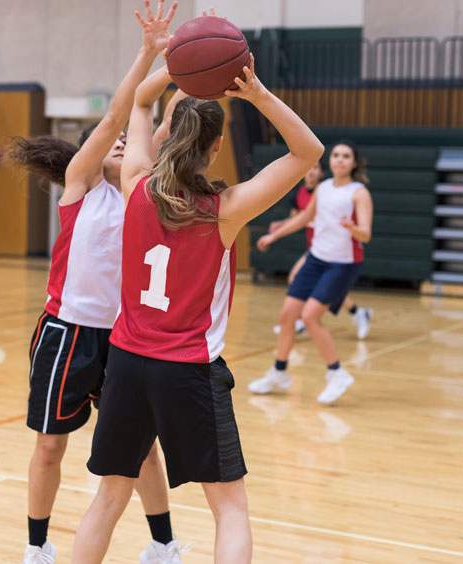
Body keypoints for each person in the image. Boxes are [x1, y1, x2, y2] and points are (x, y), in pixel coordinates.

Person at [70, 40, 324, 563]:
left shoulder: (134, 182)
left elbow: (138, 102)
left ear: (171, 140)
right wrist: (256, 93)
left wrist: (172, 65)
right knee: (230, 508)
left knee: (109, 498)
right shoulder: (224, 210)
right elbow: (308, 152)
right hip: (187, 370)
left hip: (127, 364)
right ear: (216, 147)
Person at [8, 0, 188, 564]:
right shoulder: (81, 186)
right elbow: (119, 115)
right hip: (66, 332)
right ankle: (37, 549)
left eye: (123, 142)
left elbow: (158, 123)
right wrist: (149, 55)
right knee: (48, 446)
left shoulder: (141, 188)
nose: (115, 141)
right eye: (103, 138)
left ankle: (164, 545)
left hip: (123, 338)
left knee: (142, 451)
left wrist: (185, 75)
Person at [249, 142, 373, 404]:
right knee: (287, 316)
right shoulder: (323, 189)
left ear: (353, 162)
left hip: (342, 264)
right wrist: (274, 236)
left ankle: (336, 373)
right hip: (316, 259)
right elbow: (305, 218)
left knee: (310, 317)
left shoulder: (359, 193)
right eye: (336, 155)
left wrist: (352, 227)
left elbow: (366, 233)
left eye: (346, 156)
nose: (340, 160)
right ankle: (279, 373)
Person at [269, 160, 373, 339]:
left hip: (333, 250)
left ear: (322, 173)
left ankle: (302, 320)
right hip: (316, 248)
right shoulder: (300, 194)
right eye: (308, 167)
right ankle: (357, 312)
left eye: (315, 167)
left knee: (299, 279)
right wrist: (280, 226)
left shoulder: (329, 192)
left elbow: (310, 217)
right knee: (318, 287)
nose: (311, 172)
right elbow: (299, 218)